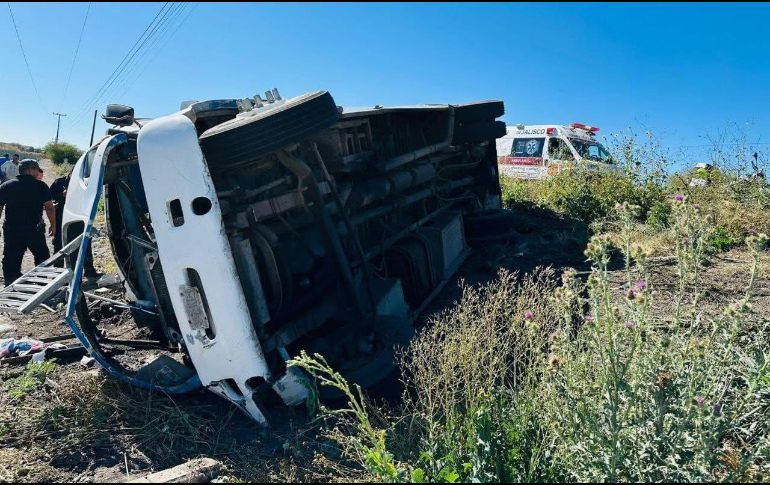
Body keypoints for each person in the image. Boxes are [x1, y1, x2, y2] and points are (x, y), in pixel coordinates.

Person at [0, 160, 56, 284]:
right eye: (36, 169)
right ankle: (41, 282)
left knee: (11, 257)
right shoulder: (40, 185)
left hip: (12, 229)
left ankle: (10, 282)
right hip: (34, 229)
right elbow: (49, 207)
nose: (37, 172)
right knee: (42, 256)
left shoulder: (7, 185)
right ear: (30, 169)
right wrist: (53, 224)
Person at [50, 169, 98, 276]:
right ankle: (57, 272)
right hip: (62, 219)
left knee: (85, 242)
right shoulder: (59, 182)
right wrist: (61, 196)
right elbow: (49, 198)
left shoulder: (86, 184)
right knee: (59, 244)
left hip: (81, 219)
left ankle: (89, 270)